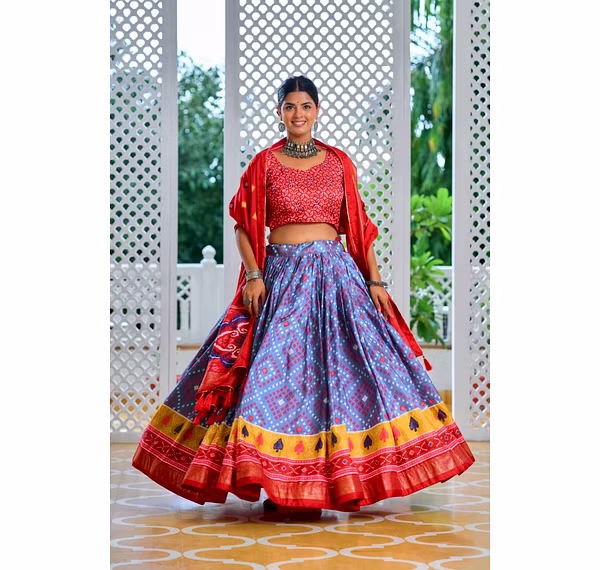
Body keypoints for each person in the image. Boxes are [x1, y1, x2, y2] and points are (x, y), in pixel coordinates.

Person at [131, 75, 475, 517]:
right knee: (273, 377)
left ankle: (334, 480)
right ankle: (279, 482)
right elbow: (243, 228)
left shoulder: (339, 163)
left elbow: (360, 228)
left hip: (336, 280)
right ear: (279, 112)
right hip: (281, 280)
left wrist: (375, 282)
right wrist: (254, 274)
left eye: (306, 106)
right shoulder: (263, 164)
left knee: (347, 376)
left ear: (317, 111)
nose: (298, 114)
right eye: (290, 106)